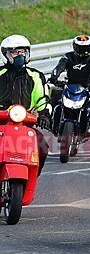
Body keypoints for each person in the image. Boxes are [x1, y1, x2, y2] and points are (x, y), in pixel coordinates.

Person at [0, 35, 51, 176]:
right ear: (6, 54)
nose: (20, 55)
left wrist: (45, 114)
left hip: (25, 124)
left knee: (42, 147)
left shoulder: (36, 76)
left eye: (23, 52)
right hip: (1, 122)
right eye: (16, 52)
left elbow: (42, 97)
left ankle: (31, 176)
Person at [49, 35, 90, 137]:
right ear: (75, 47)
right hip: (68, 87)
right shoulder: (67, 57)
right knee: (52, 102)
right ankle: (53, 124)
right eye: (81, 48)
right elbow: (58, 68)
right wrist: (54, 77)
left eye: (86, 48)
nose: (84, 51)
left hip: (86, 89)